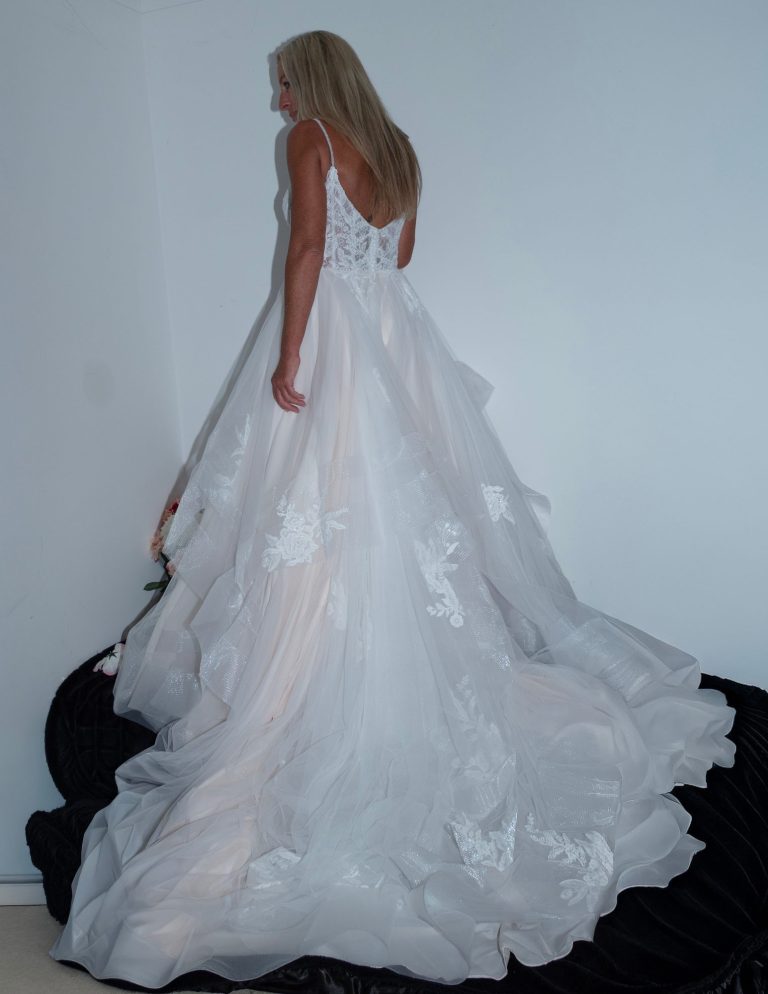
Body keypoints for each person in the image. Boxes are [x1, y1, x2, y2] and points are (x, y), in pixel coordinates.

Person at [49, 29, 736, 987]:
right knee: (400, 528)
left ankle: (320, 688)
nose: (279, 103)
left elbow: (305, 250)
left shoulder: (312, 142)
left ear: (309, 82)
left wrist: (293, 357)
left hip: (333, 338)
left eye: (282, 84)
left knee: (314, 520)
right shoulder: (399, 149)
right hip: (392, 342)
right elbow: (397, 258)